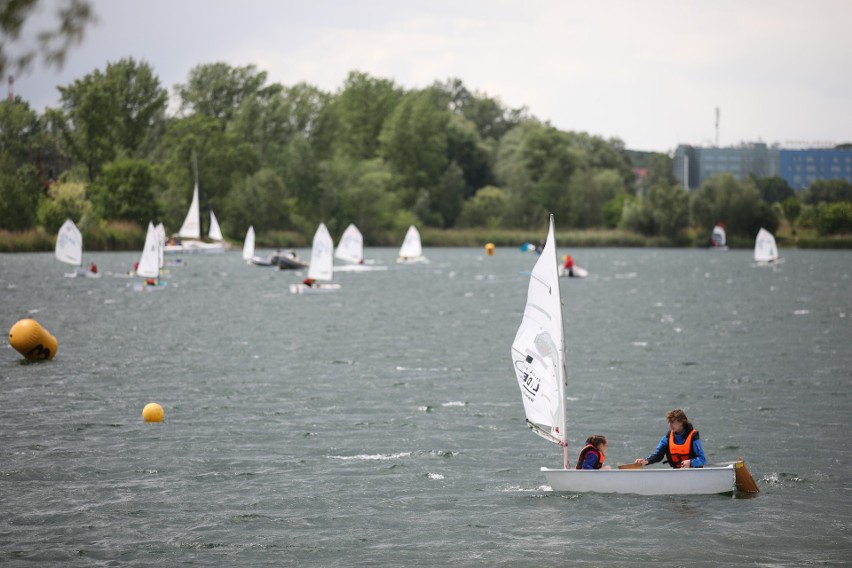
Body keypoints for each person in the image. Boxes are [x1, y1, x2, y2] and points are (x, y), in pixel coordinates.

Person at [634, 408, 706, 468]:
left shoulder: (693, 437)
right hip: (677, 473)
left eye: (672, 422)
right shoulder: (667, 438)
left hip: (694, 472)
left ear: (681, 422)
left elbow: (702, 459)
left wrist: (691, 463)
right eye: (669, 422)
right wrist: (646, 461)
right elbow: (658, 455)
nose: (670, 425)